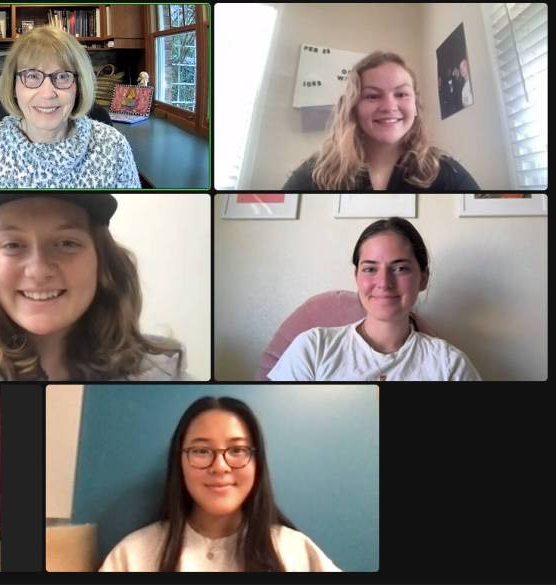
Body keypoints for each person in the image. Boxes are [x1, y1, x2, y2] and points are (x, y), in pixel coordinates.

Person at [0, 194, 184, 381]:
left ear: (102, 261)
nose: (38, 270)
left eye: (67, 243)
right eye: (13, 245)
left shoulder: (164, 375)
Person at [100, 396, 340, 572]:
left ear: (257, 463)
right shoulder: (132, 556)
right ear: (179, 461)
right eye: (201, 451)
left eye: (237, 450)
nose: (220, 466)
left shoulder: (296, 552)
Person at [268, 217, 481, 382]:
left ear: (423, 278)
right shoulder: (313, 348)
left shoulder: (450, 365)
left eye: (400, 268)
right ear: (357, 277)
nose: (384, 282)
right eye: (370, 269)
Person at [0, 26, 141, 188]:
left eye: (62, 76)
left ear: (78, 86)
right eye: (32, 76)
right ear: (13, 86)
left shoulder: (113, 146)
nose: (47, 94)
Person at [283, 51, 479, 191]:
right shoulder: (314, 173)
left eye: (401, 94)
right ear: (353, 107)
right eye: (372, 96)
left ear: (416, 106)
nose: (389, 106)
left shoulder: (446, 172)